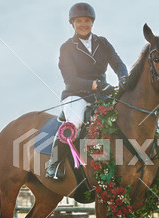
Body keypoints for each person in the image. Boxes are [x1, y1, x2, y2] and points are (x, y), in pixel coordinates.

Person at [46, 2, 128, 179]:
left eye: (87, 20)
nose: (83, 24)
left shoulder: (103, 43)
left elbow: (118, 63)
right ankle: (54, 163)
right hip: (76, 95)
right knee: (75, 123)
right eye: (79, 21)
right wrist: (95, 85)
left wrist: (123, 77)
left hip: (102, 95)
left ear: (92, 22)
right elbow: (71, 79)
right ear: (72, 24)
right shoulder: (66, 48)